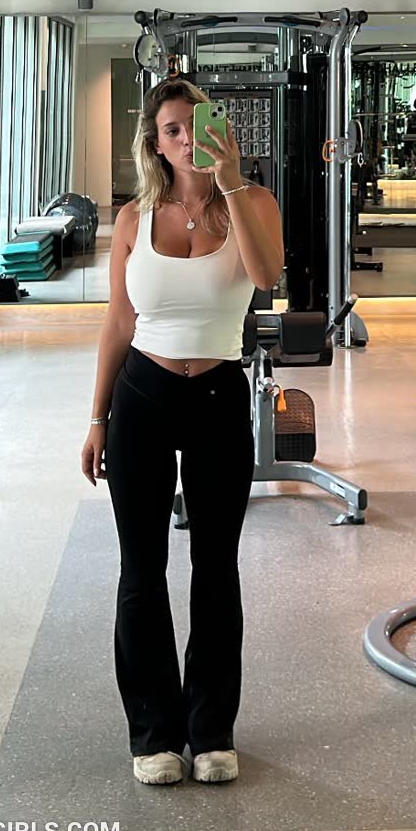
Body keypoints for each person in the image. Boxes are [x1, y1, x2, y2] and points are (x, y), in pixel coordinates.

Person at [80, 77, 284, 788]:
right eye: (172, 129)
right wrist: (97, 418)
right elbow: (118, 322)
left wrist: (229, 181)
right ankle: (154, 733)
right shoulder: (133, 218)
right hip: (142, 394)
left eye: (197, 124)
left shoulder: (253, 202)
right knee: (141, 569)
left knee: (216, 568)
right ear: (156, 144)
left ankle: (211, 730)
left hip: (219, 393)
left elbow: (266, 276)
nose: (186, 138)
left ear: (218, 128)